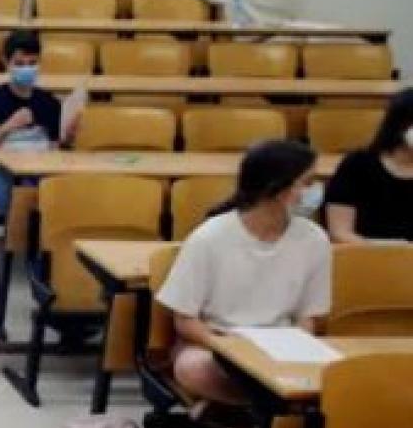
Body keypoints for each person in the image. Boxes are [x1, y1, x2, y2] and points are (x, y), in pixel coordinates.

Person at [157, 140, 330, 405]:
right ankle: (266, 408)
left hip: (283, 346)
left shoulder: (314, 239)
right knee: (193, 368)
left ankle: (258, 407)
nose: (314, 191)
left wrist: (296, 347)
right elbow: (185, 320)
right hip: (219, 343)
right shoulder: (209, 238)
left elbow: (309, 317)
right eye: (307, 183)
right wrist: (228, 346)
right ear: (277, 188)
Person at [0, 31, 80, 211]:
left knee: (66, 194)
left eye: (32, 63)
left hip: (40, 169)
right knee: (21, 198)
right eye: (20, 64)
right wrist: (8, 127)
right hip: (2, 172)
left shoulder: (49, 102)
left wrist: (68, 137)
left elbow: (56, 148)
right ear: (6, 63)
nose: (27, 69)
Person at [323, 89, 413, 242]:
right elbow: (340, 232)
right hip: (365, 252)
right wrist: (387, 252)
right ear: (400, 125)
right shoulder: (357, 165)